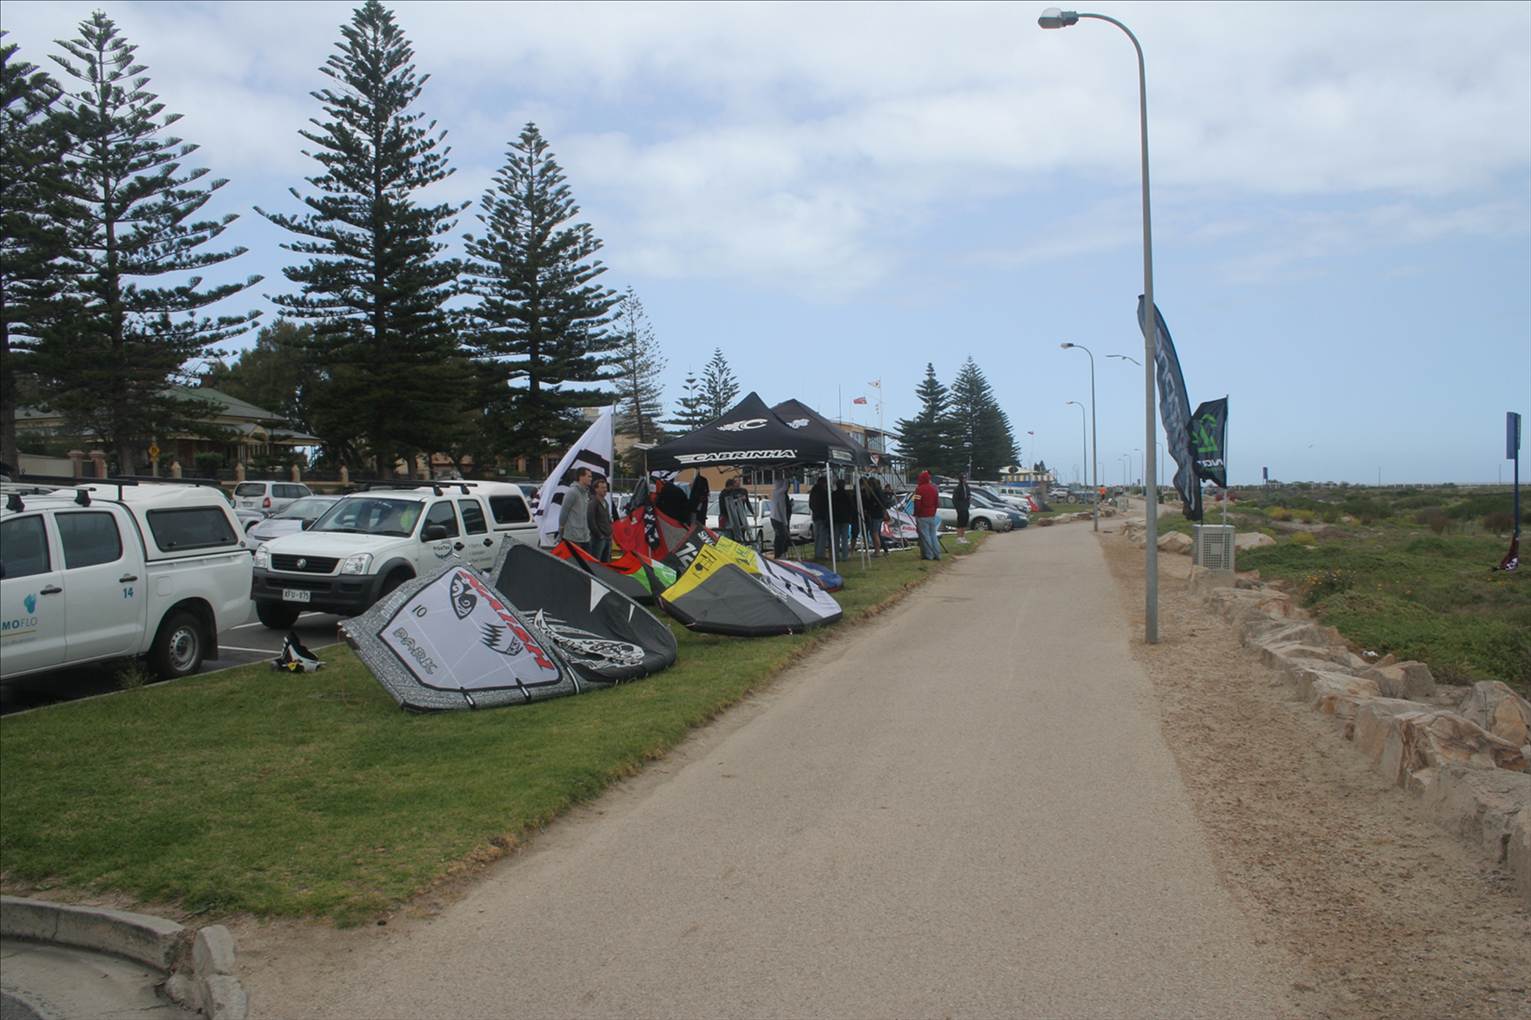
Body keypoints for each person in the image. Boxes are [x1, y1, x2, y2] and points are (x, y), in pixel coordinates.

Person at [558, 466, 592, 551]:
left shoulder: (585, 493)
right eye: (589, 476)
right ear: (581, 477)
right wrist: (561, 530)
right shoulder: (572, 492)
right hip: (573, 537)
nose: (591, 479)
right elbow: (564, 512)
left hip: (585, 536)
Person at [913, 469, 941, 560]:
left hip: (922, 515)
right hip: (932, 515)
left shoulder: (919, 489)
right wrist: (933, 512)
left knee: (925, 536)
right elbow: (937, 503)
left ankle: (929, 555)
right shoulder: (934, 489)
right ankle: (937, 553)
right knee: (933, 535)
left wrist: (916, 513)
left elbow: (917, 503)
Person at [587, 476, 613, 561]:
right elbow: (591, 520)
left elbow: (608, 519)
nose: (605, 490)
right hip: (598, 539)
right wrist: (599, 535)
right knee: (596, 561)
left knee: (606, 562)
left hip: (608, 537)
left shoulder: (605, 502)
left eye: (605, 488)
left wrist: (610, 532)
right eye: (602, 488)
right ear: (596, 489)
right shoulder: (593, 503)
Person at [770, 472, 792, 558]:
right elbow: (782, 510)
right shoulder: (779, 494)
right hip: (777, 518)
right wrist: (787, 476)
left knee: (780, 536)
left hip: (775, 518)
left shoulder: (777, 493)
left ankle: (780, 554)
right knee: (781, 537)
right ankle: (780, 554)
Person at [831, 478, 854, 559]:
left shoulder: (833, 494)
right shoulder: (847, 494)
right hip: (845, 518)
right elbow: (851, 506)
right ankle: (845, 555)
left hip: (836, 518)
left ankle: (836, 556)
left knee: (836, 538)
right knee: (844, 538)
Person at [809, 475, 830, 560]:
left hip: (815, 516)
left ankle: (817, 553)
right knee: (822, 536)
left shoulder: (813, 492)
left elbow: (811, 505)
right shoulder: (823, 492)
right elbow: (826, 505)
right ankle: (821, 554)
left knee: (817, 536)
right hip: (822, 517)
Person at [953, 472, 972, 544]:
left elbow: (969, 495)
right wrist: (958, 508)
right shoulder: (957, 488)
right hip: (960, 507)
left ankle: (963, 537)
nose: (965, 479)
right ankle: (959, 538)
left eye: (965, 478)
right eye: (963, 478)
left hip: (965, 506)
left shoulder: (967, 486)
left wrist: (968, 502)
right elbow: (954, 499)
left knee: (965, 521)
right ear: (960, 479)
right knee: (960, 522)